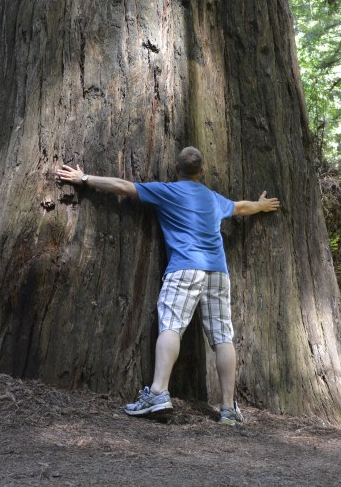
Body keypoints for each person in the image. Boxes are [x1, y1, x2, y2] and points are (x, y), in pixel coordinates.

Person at [55, 146, 280, 425]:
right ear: (203, 171)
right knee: (222, 336)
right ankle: (228, 410)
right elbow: (239, 207)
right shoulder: (212, 198)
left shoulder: (168, 191)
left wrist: (84, 178)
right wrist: (260, 206)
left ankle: (159, 392)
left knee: (171, 326)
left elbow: (123, 187)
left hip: (185, 268)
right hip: (217, 272)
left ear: (177, 169)